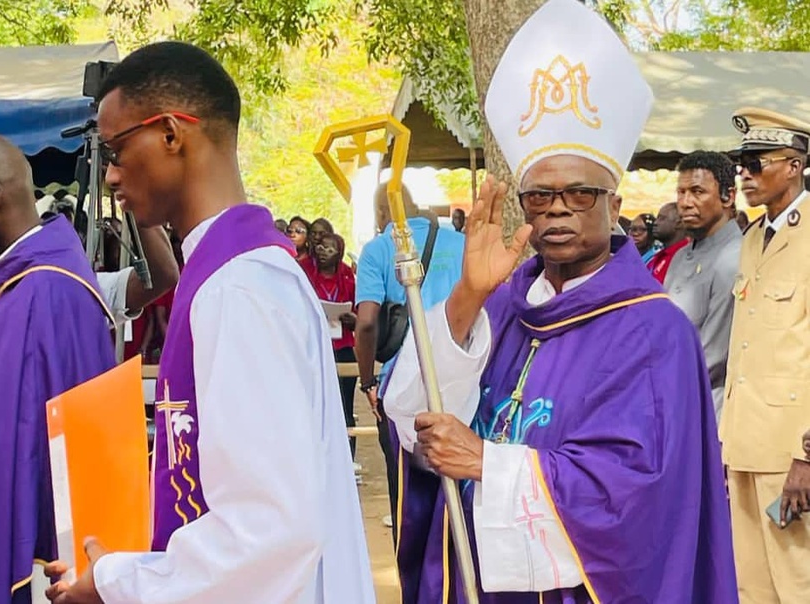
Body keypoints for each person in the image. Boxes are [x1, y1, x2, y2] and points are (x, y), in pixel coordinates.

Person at [383, 0, 737, 601]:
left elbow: (639, 490)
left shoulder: (653, 330)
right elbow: (411, 414)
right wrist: (469, 294)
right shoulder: (502, 308)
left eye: (580, 194)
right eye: (540, 197)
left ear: (614, 205)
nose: (558, 210)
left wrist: (488, 464)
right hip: (474, 573)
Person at [44, 41, 374, 603]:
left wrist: (119, 583)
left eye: (116, 151)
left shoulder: (239, 287)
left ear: (172, 134)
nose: (111, 177)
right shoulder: (238, 270)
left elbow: (270, 530)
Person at [0, 133, 116, 604]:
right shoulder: (53, 274)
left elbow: (9, 445)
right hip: (73, 543)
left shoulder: (35, 295)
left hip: (41, 559)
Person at [721, 106, 810, 603]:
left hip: (792, 451)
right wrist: (726, 441)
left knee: (799, 583)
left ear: (794, 165)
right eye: (741, 164)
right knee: (752, 586)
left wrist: (806, 457)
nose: (745, 175)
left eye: (756, 163)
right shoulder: (753, 238)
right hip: (745, 444)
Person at [354, 182, 464, 540]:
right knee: (458, 482)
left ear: (381, 213)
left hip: (402, 383)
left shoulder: (378, 249)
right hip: (460, 375)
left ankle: (415, 565)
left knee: (404, 487)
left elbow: (366, 322)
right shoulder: (458, 242)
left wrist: (367, 381)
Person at [665, 151, 742, 418]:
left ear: (728, 197)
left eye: (697, 192)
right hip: (672, 397)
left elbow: (713, 357)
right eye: (681, 192)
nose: (685, 203)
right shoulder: (680, 256)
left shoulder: (735, 258)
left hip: (707, 408)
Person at [306, 232, 358, 458]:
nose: (324, 252)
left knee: (345, 407)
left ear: (339, 253)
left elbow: (360, 314)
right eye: (321, 247)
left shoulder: (348, 278)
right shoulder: (306, 275)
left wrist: (353, 319)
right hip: (314, 348)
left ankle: (348, 459)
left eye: (330, 249)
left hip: (343, 347)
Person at [646, 202, 688, 283]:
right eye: (657, 218)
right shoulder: (659, 256)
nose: (655, 223)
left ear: (679, 223)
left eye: (662, 218)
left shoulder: (686, 257)